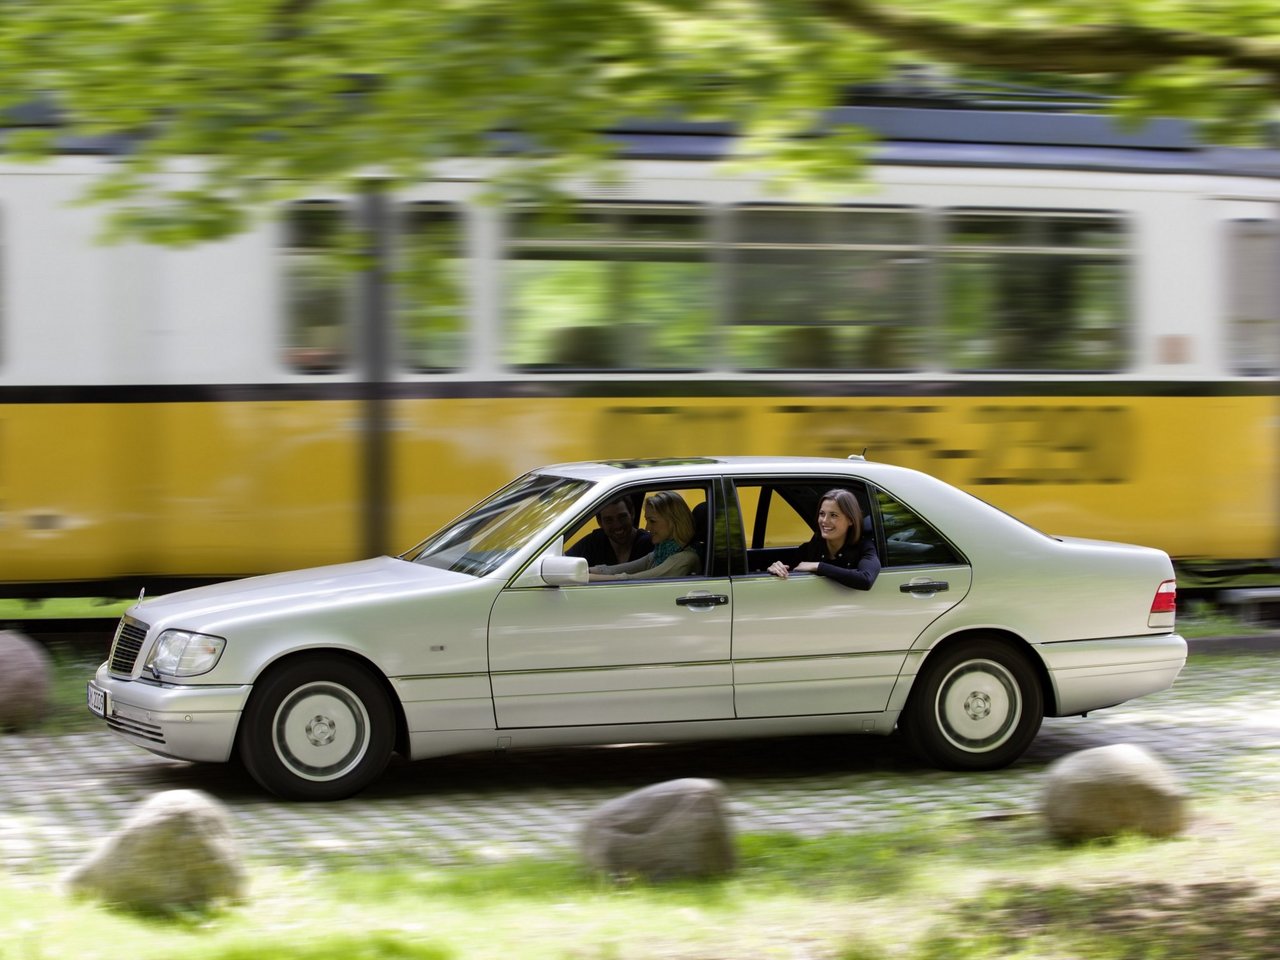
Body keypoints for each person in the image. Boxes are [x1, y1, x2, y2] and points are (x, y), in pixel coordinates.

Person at [767, 488, 880, 590]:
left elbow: (865, 579)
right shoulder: (812, 547)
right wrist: (776, 568)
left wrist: (818, 566)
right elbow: (790, 569)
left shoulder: (864, 547)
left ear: (851, 520)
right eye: (822, 514)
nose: (824, 521)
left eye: (833, 515)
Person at [589, 490, 700, 581]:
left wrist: (585, 578)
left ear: (673, 521)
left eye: (652, 521)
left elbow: (628, 580)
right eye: (647, 521)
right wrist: (583, 571)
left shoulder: (685, 559)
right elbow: (613, 570)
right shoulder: (661, 553)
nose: (647, 528)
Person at [568, 496, 653, 567]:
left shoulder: (650, 543)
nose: (617, 525)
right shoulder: (592, 543)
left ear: (632, 514)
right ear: (599, 522)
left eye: (622, 517)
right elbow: (563, 562)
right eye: (609, 520)